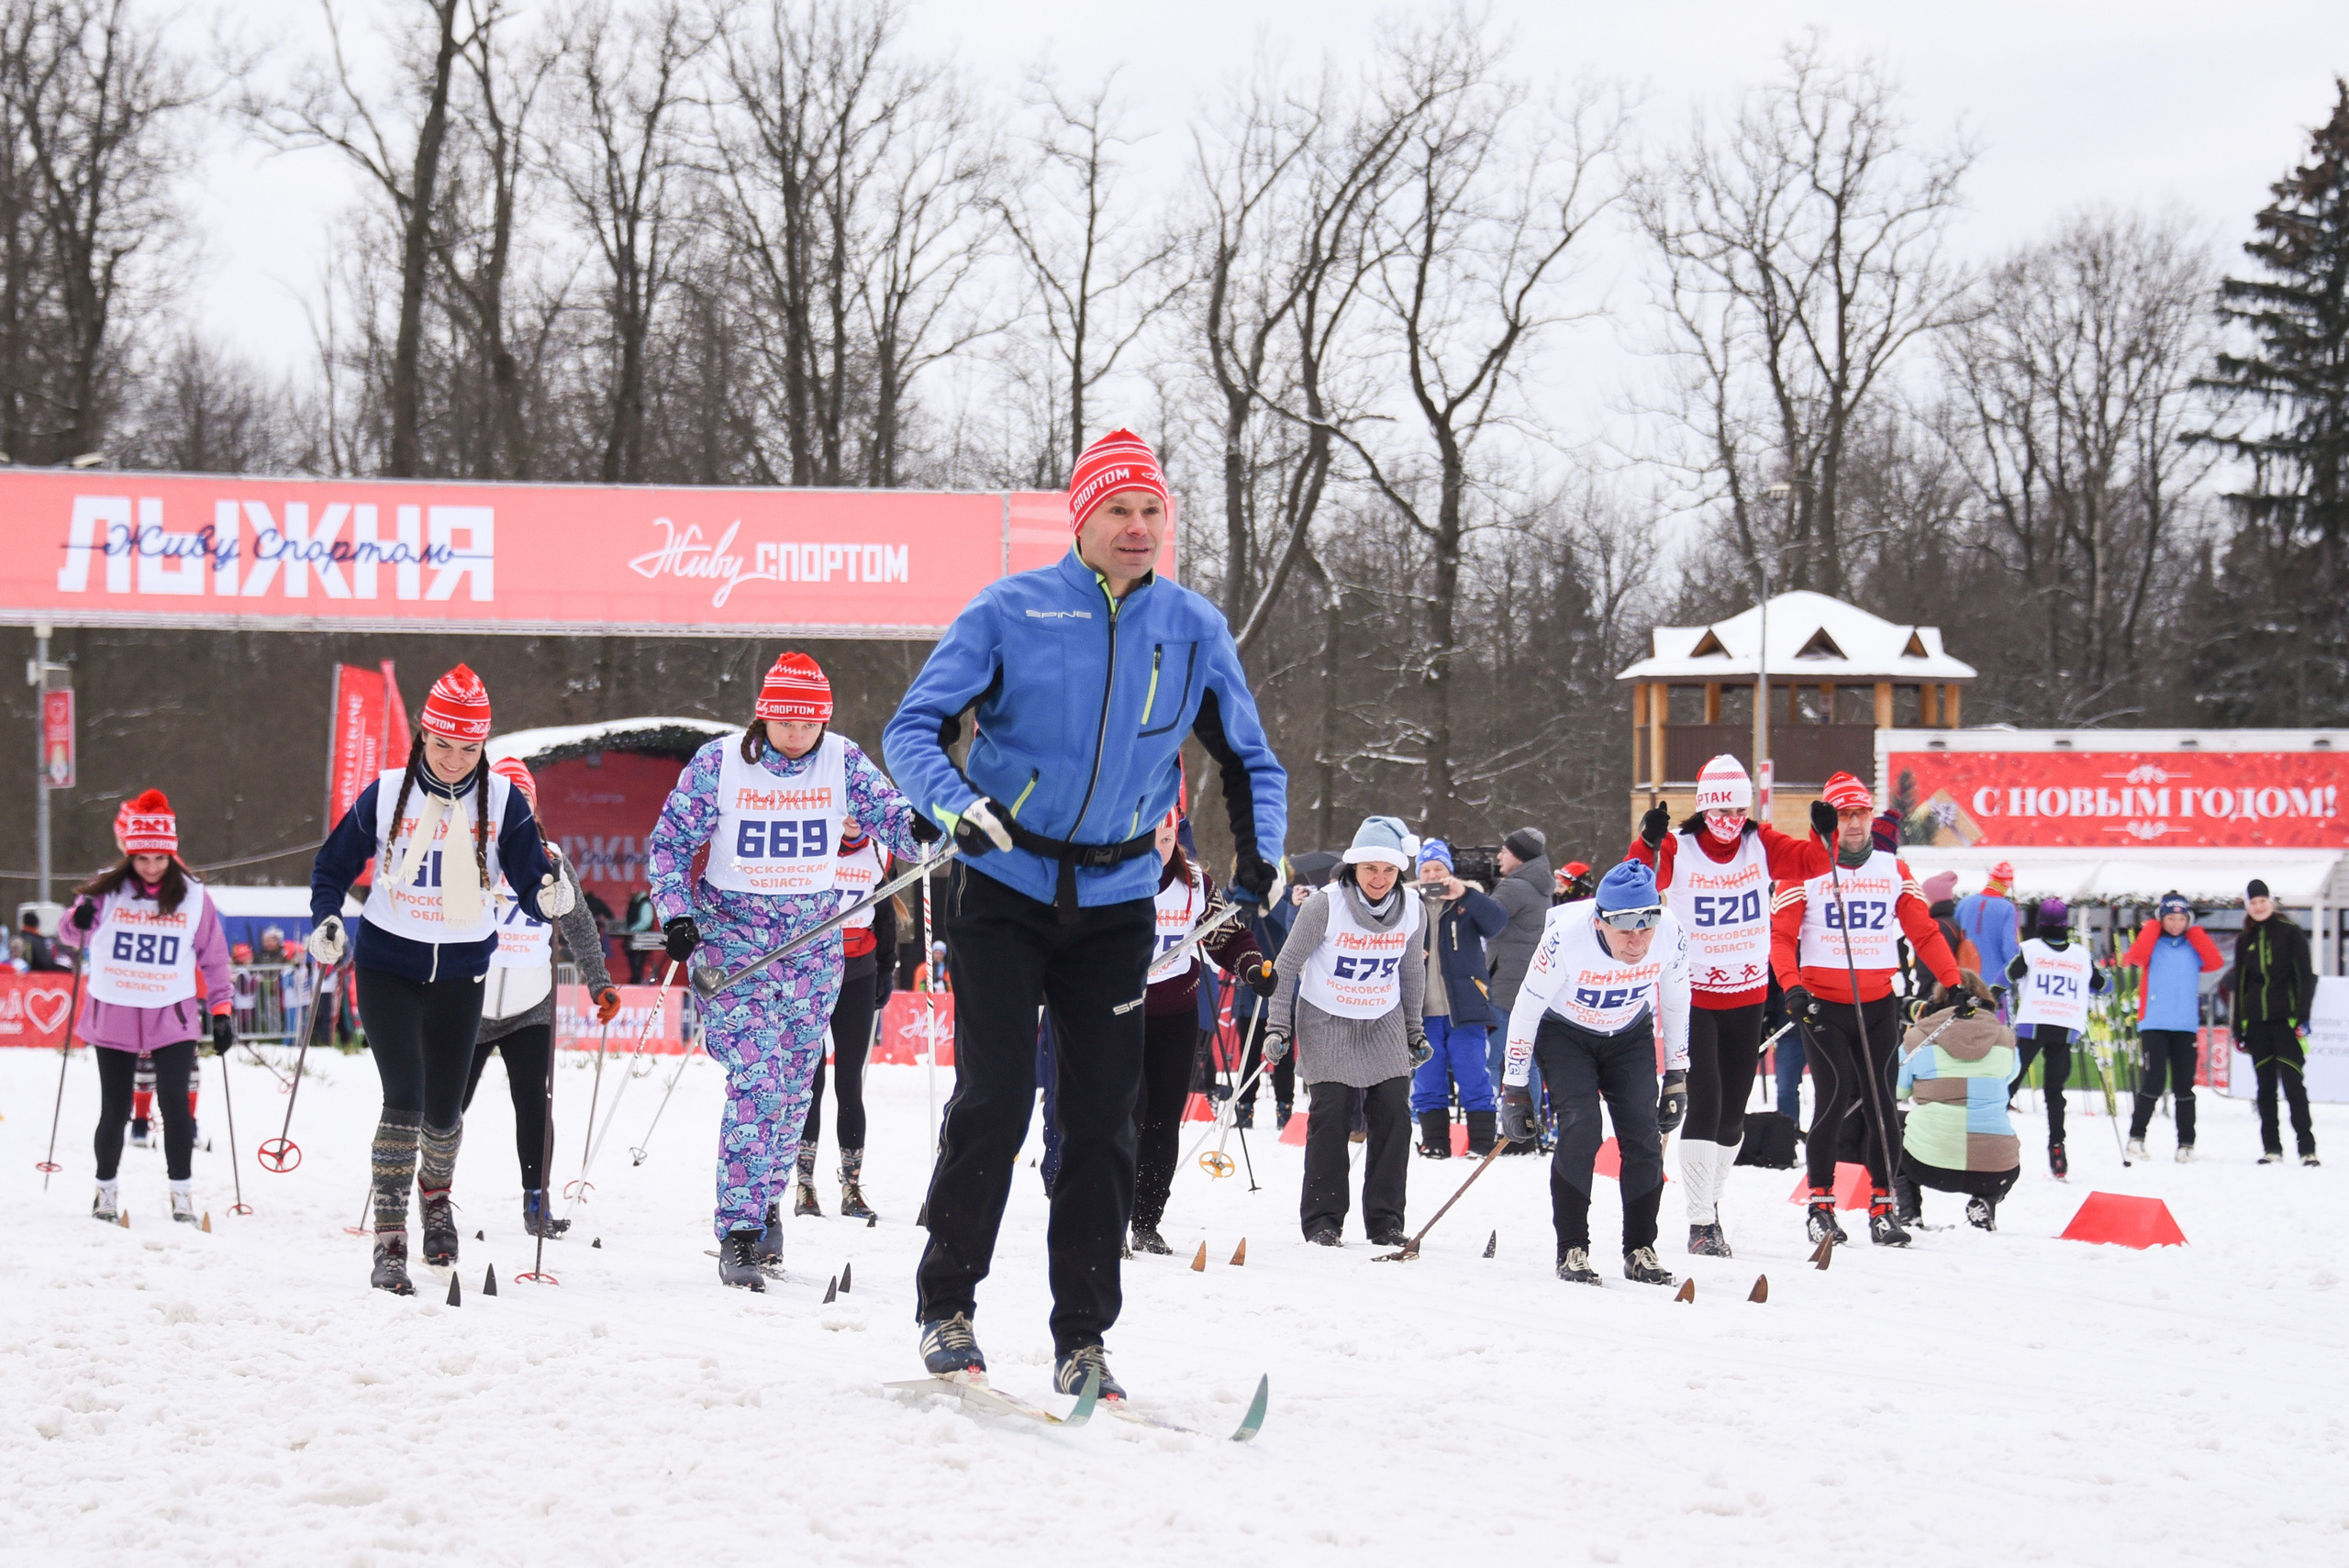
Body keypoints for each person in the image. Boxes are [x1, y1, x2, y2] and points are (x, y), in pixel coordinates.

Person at [885, 428, 1286, 1403]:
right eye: (1119, 509)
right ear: (1082, 518)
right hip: (1005, 889)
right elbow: (912, 729)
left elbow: (1248, 761)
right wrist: (957, 805)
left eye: (1152, 511)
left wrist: (1259, 865)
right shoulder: (1010, 610)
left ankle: (1083, 1336)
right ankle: (948, 1302)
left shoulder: (1193, 627)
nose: (1138, 527)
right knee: (993, 1098)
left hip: (1115, 904)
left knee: (1103, 1120)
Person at [647, 652, 923, 1289]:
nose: (798, 737)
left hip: (811, 946)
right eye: (786, 722)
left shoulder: (842, 759)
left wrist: (928, 823)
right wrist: (676, 911)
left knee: (796, 1083)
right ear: (764, 713)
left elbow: (895, 821)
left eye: (810, 724)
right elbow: (668, 844)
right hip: (733, 941)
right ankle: (738, 1230)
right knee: (759, 1076)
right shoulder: (720, 763)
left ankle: (766, 1199)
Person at [307, 665, 573, 1295]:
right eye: (443, 744)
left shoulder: (502, 802)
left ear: (484, 744)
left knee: (445, 1114)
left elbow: (529, 877)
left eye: (469, 747)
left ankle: (436, 1201)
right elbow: (333, 864)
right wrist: (325, 917)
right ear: (424, 735)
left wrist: (550, 896)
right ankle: (390, 1239)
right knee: (404, 1098)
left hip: (461, 970)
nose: (454, 759)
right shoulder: (387, 791)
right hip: (387, 966)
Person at [1628, 755, 1835, 1257]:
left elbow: (1814, 864)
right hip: (1691, 994)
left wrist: (1822, 833)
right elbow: (1641, 879)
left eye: (1738, 808)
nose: (1729, 819)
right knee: (1707, 1099)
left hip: (1746, 993)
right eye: (1720, 808)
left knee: (1734, 1112)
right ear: (1703, 807)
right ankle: (1701, 1222)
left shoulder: (1759, 843)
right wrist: (1649, 841)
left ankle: (1710, 1203)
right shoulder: (1682, 846)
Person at [1771, 772, 1962, 1249]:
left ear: (1869, 818)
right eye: (1843, 815)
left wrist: (1953, 982)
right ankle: (1821, 1205)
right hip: (1822, 1006)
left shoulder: (1892, 869)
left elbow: (1924, 933)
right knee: (1833, 1100)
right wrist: (1792, 988)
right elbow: (1780, 938)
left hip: (1876, 1003)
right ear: (1830, 820)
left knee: (1882, 1103)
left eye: (1860, 814)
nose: (1853, 824)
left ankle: (1882, 1205)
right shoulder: (1803, 867)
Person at [1499, 860, 1689, 1287]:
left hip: (1629, 1032)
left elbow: (1677, 1000)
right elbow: (1526, 1010)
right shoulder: (1565, 939)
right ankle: (1572, 1249)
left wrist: (1677, 1072)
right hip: (1566, 1033)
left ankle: (1640, 1248)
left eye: (1646, 928)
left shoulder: (1671, 933)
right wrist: (1514, 1087)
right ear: (1600, 922)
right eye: (1625, 930)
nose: (1638, 942)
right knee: (1582, 1126)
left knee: (1642, 1135)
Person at [54, 789, 236, 1227]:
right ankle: (106, 1191)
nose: (151, 867)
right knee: (114, 1108)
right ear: (129, 856)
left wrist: (223, 1010)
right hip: (114, 1013)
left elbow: (214, 956)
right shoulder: (106, 890)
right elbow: (69, 934)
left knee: (176, 1105)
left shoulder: (193, 895)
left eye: (159, 858)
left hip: (170, 1016)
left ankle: (181, 1196)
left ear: (171, 855)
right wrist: (75, 920)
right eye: (141, 858)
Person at [462, 758, 620, 1237]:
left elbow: (578, 926)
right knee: (446, 1105)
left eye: (522, 802)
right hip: (471, 999)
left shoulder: (551, 860)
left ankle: (538, 1200)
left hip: (530, 1003)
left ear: (533, 807)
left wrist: (599, 982)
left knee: (534, 1101)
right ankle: (431, 1190)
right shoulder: (465, 853)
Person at [1264, 817, 1426, 1247]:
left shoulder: (1413, 908)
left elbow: (1411, 971)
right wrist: (1277, 1025)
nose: (1380, 878)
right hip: (1326, 1017)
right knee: (1331, 1114)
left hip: (1383, 1019)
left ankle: (1386, 1220)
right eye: (1371, 868)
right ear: (1353, 866)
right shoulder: (1325, 904)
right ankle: (1323, 1220)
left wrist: (1414, 1030)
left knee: (1394, 1112)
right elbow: (1286, 964)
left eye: (1389, 870)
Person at [1131, 812, 1270, 1251]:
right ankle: (1108, 1214)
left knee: (1162, 1119)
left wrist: (1251, 967)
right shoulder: (1109, 876)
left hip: (1174, 1013)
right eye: (1149, 838)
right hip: (1117, 1012)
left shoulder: (1195, 884)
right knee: (1123, 1114)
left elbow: (1227, 936)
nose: (1159, 848)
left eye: (1166, 839)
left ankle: (1147, 1219)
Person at [795, 818, 902, 1219]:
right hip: (812, 969)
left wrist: (887, 968)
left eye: (860, 811)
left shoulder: (878, 851)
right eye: (846, 810)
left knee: (849, 1082)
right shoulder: (812, 841)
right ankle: (805, 1186)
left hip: (858, 971)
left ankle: (851, 1187)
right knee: (811, 1080)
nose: (852, 819)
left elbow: (886, 910)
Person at [1411, 839, 1507, 1158]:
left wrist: (1465, 894)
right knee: (1427, 1079)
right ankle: (1435, 1142)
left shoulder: (1467, 903)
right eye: (1426, 869)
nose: (1433, 875)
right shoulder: (1408, 905)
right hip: (1422, 1012)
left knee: (1473, 1074)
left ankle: (1481, 1143)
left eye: (1439, 868)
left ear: (1449, 872)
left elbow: (1497, 924)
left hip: (1466, 1009)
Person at [1895, 989, 2021, 1230]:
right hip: (1996, 1171)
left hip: (1929, 1167)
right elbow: (2009, 1076)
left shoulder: (1917, 1039)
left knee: (1892, 1126)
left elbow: (1898, 1091)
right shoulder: (2006, 1039)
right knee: (2003, 1141)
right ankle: (1986, 1200)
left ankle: (1909, 1211)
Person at [2120, 892, 2222, 1163]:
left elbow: (2215, 962)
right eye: (2170, 918)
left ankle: (2186, 1143)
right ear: (2160, 919)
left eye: (2181, 918)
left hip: (2185, 1025)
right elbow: (2135, 957)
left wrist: (2196, 930)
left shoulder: (2193, 945)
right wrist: (2152, 926)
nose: (2176, 924)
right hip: (2154, 1022)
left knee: (2184, 1086)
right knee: (2152, 1082)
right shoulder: (2152, 943)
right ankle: (2136, 1138)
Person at [2007, 897, 2106, 1178]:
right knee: (2054, 1092)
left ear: (2039, 924)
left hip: (2032, 1025)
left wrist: (1988, 994)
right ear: (2067, 925)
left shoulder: (2029, 949)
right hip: (2064, 1027)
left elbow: (2008, 976)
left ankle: (1988, 1139)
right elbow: (2101, 985)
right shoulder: (2080, 954)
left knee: (2009, 1084)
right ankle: (2057, 1147)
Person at [2226, 878, 2320, 1166]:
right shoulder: (2245, 939)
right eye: (2253, 902)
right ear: (2247, 905)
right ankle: (2271, 1148)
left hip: (2286, 1021)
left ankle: (2307, 1149)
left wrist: (2302, 1016)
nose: (2258, 906)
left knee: (2294, 1086)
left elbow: (2306, 976)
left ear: (2271, 902)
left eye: (2262, 901)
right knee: (2264, 1088)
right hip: (2257, 1023)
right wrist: (2238, 1026)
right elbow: (2240, 984)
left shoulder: (2290, 933)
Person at [1485, 827, 1554, 1143]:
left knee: (1494, 1057)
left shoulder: (1515, 887)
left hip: (1505, 986)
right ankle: (1528, 1127)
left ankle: (1500, 1129)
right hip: (1530, 983)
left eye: (1504, 850)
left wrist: (1468, 895)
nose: (1499, 856)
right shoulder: (1540, 885)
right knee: (1526, 1059)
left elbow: (1483, 920)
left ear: (1520, 857)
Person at [1230, 859, 1304, 1129]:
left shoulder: (1289, 898)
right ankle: (1244, 1106)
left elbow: (1289, 923)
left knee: (1283, 1053)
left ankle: (1285, 1108)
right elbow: (1226, 913)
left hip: (1282, 988)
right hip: (1250, 987)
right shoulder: (1241, 897)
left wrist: (1269, 898)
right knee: (1248, 1052)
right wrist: (1240, 886)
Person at [1953, 862, 2021, 1015]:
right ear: (2008, 884)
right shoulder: (2007, 908)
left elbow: (1953, 939)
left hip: (1964, 978)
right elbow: (2009, 950)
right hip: (1995, 983)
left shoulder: (1964, 904)